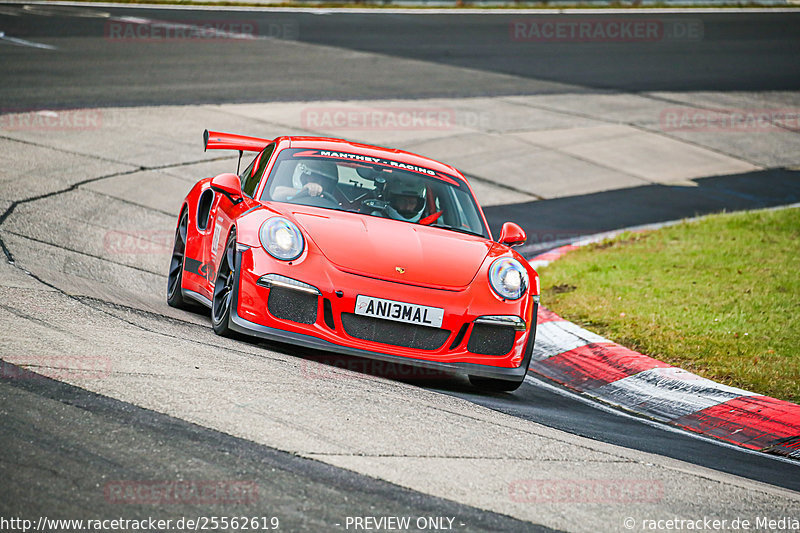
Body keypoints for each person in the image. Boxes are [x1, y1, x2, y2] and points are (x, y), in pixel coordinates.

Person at [272, 160, 338, 201]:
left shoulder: (335, 200)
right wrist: (302, 191)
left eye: (322, 179)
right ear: (303, 177)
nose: (318, 182)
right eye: (313, 177)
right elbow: (275, 194)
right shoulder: (286, 191)